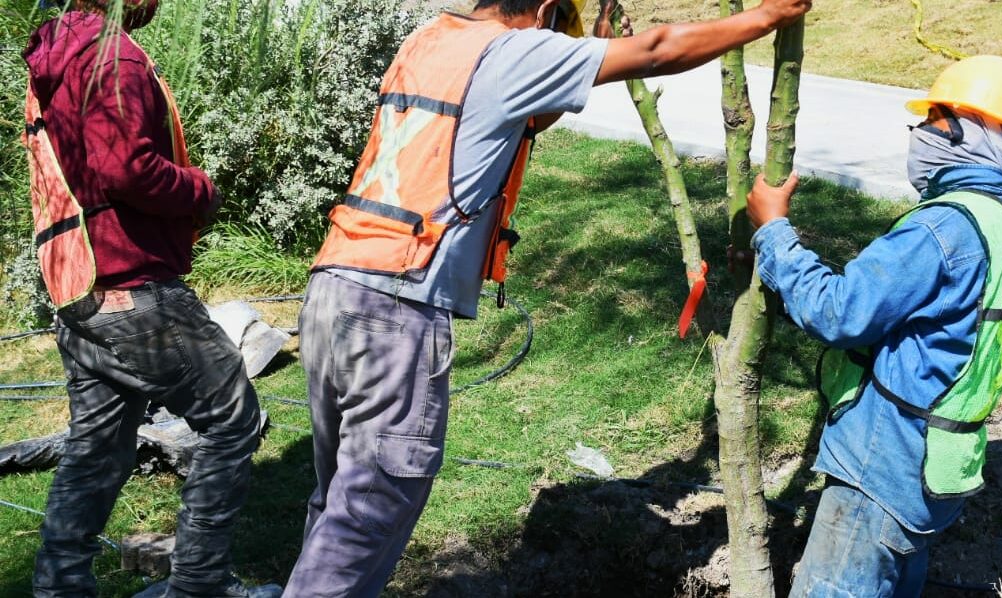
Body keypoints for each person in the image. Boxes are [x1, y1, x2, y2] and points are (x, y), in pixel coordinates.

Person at [285, 0, 811, 593]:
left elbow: (517, 120)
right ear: (543, 12)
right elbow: (660, 50)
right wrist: (766, 17)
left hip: (336, 287)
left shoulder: (436, 38)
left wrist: (592, 55)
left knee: (339, 502)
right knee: (370, 510)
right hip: (397, 306)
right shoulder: (515, 50)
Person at [745, 55, 1002, 597]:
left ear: (972, 130)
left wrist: (773, 231)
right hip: (938, 468)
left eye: (933, 120)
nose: (919, 135)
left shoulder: (942, 228)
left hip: (883, 467)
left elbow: (840, 313)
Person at [23, 1, 276, 596]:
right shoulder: (113, 58)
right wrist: (199, 189)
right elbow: (126, 169)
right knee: (232, 424)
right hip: (135, 288)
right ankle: (200, 586)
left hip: (79, 287)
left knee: (97, 450)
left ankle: (59, 589)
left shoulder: (58, 52)